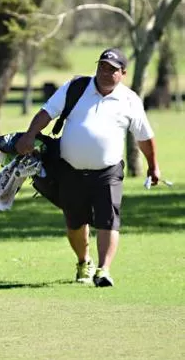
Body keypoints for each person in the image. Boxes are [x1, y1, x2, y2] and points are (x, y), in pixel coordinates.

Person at [16, 47, 160, 287]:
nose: (105, 72)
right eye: (102, 66)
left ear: (123, 73)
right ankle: (84, 262)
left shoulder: (129, 100)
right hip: (70, 169)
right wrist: (30, 135)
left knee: (108, 220)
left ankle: (104, 270)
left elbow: (144, 137)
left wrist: (153, 166)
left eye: (112, 69)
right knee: (75, 222)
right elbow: (46, 112)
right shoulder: (76, 88)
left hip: (108, 171)